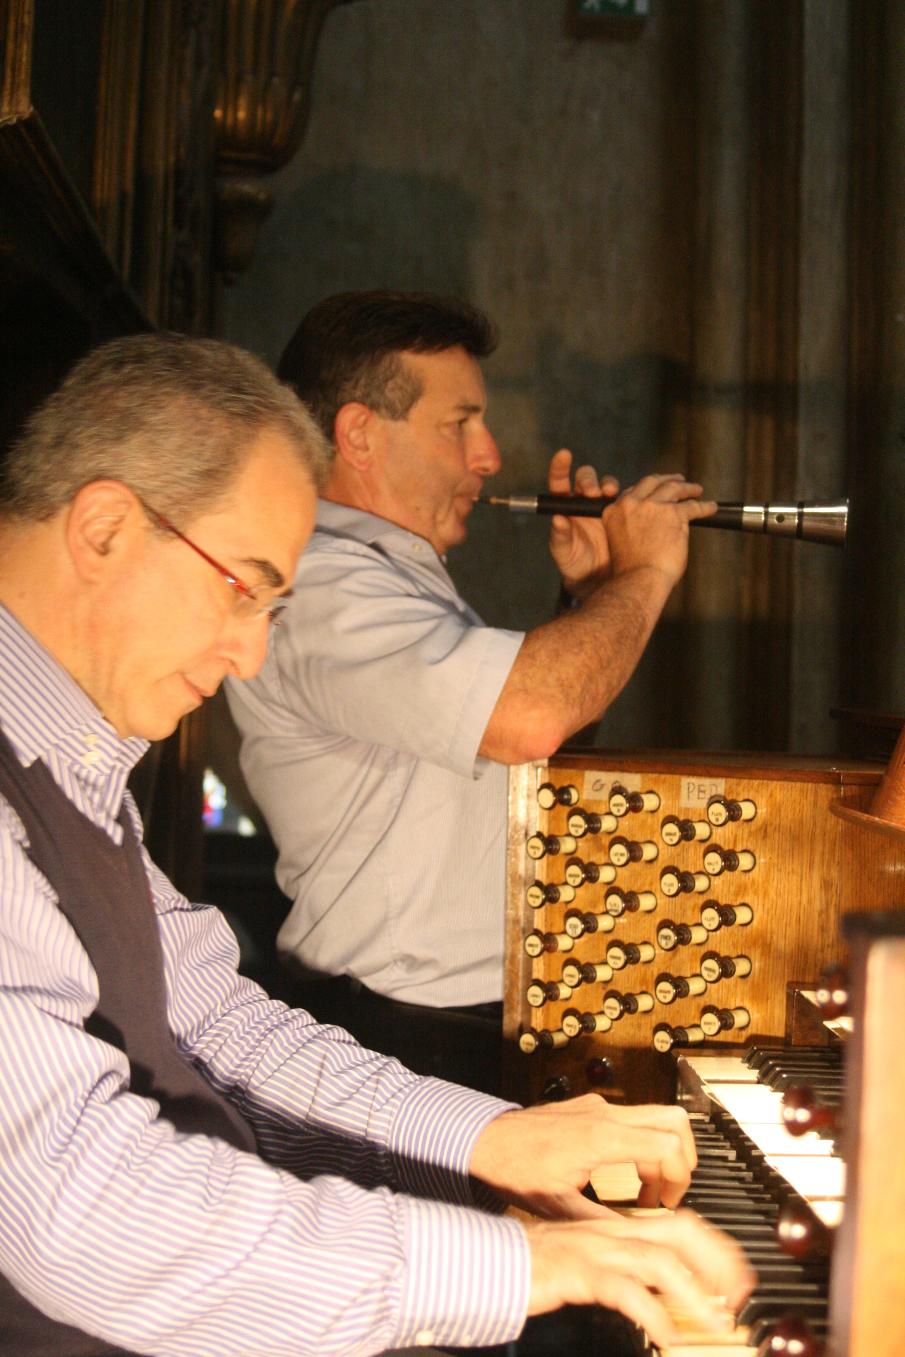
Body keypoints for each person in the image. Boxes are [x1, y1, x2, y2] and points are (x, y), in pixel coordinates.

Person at [0, 331, 753, 1356]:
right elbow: (81, 1207)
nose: (253, 651)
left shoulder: (71, 761)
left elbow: (216, 1022)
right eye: (244, 587)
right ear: (102, 529)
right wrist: (532, 1262)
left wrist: (489, 1140)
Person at [226, 291, 715, 1090]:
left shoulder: (394, 578)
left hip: (449, 1023)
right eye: (459, 424)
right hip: (393, 1035)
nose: (487, 456)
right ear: (358, 434)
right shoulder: (326, 584)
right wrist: (649, 571)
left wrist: (592, 596)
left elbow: (537, 762)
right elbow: (530, 717)